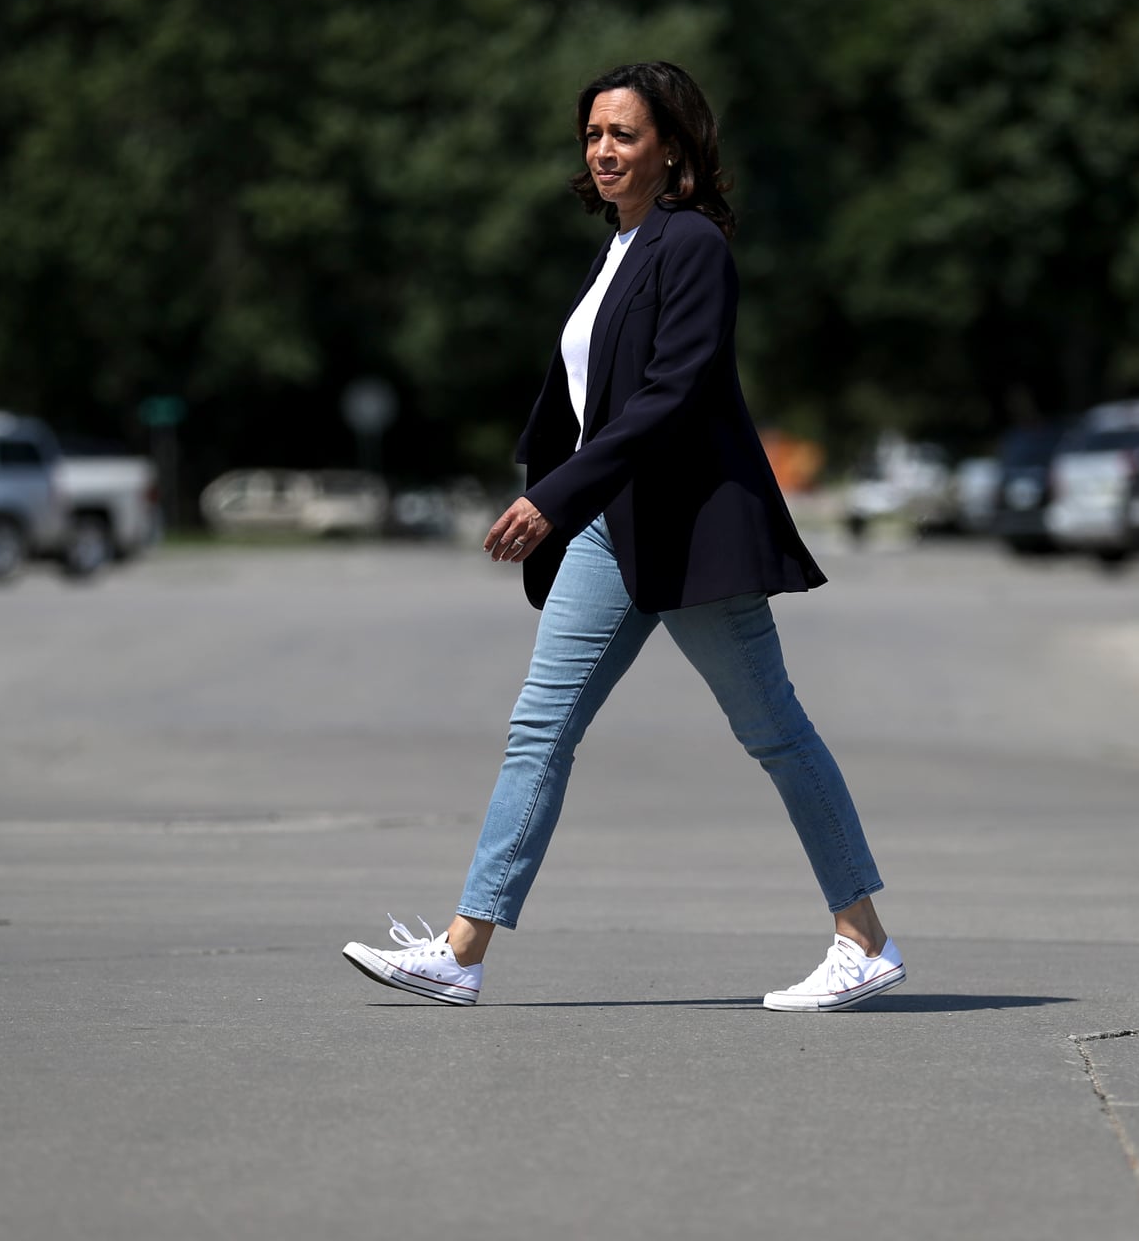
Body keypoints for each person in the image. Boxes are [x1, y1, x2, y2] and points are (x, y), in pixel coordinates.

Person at [343, 61, 902, 1011]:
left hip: (689, 536)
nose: (604, 150)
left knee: (775, 735)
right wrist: (564, 487)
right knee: (539, 732)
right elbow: (584, 396)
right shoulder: (621, 247)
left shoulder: (692, 247)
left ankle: (863, 941)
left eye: (625, 135)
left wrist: (556, 495)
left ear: (671, 149)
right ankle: (462, 951)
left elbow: (671, 397)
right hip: (612, 533)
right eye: (594, 135)